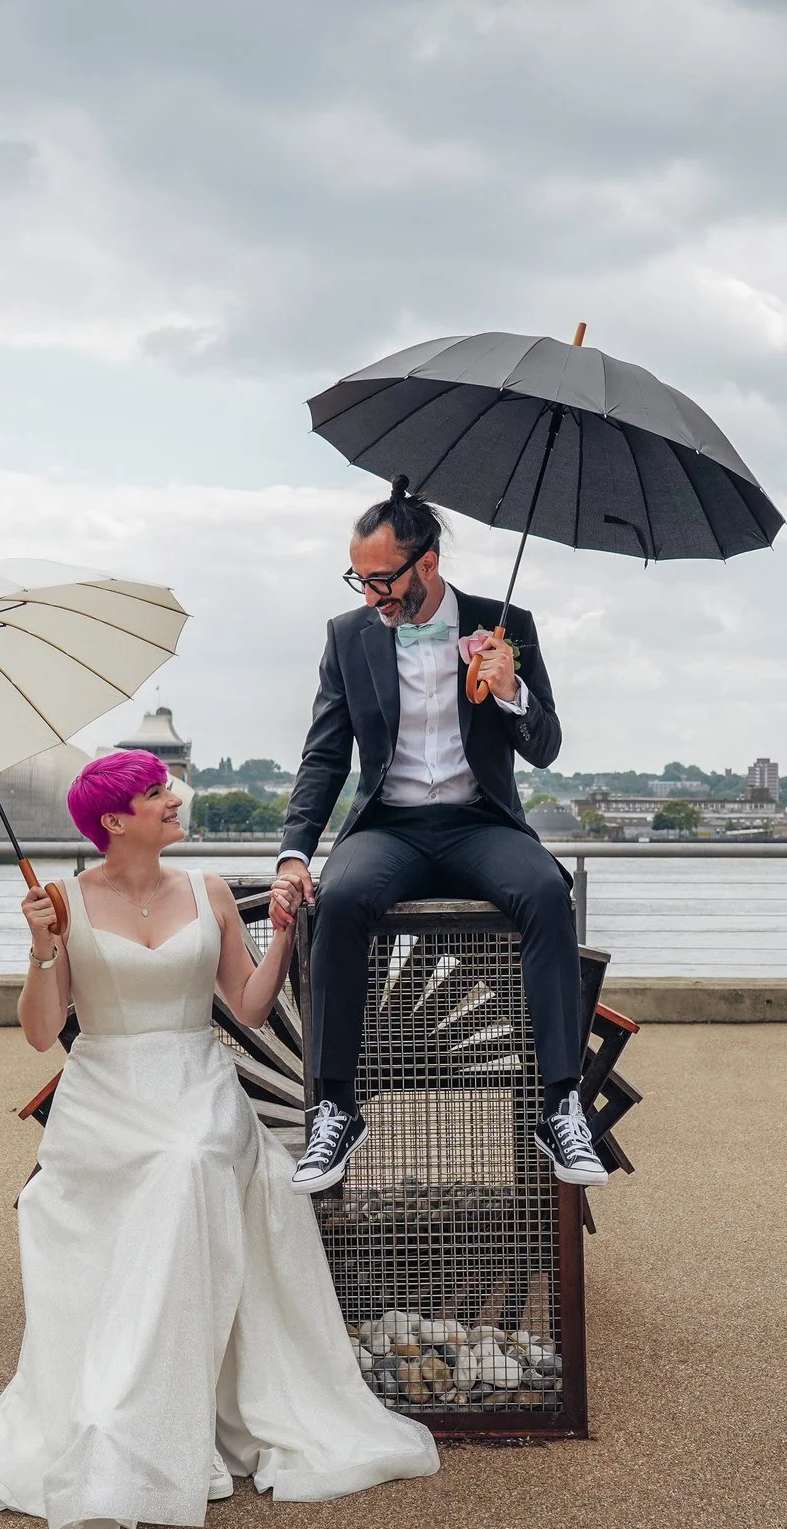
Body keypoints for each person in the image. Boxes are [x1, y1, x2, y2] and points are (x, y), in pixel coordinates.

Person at [0, 749, 437, 1529]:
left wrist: (287, 936)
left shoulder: (212, 890)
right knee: (172, 1167)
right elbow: (37, 1032)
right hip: (106, 1098)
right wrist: (42, 947)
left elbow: (252, 1009)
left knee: (191, 1159)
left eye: (167, 787)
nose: (173, 799)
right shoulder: (61, 900)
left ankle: (144, 1423)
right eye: (156, 793)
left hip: (198, 1083)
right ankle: (121, 1425)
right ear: (114, 821)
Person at [271, 476, 609, 1193]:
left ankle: (559, 1105)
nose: (372, 597)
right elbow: (326, 754)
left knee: (549, 890)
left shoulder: (504, 620)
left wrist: (511, 689)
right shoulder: (347, 636)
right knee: (339, 899)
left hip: (480, 824)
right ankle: (335, 1105)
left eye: (382, 580)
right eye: (359, 580)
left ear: (427, 562)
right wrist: (295, 851)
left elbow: (545, 746)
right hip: (387, 828)